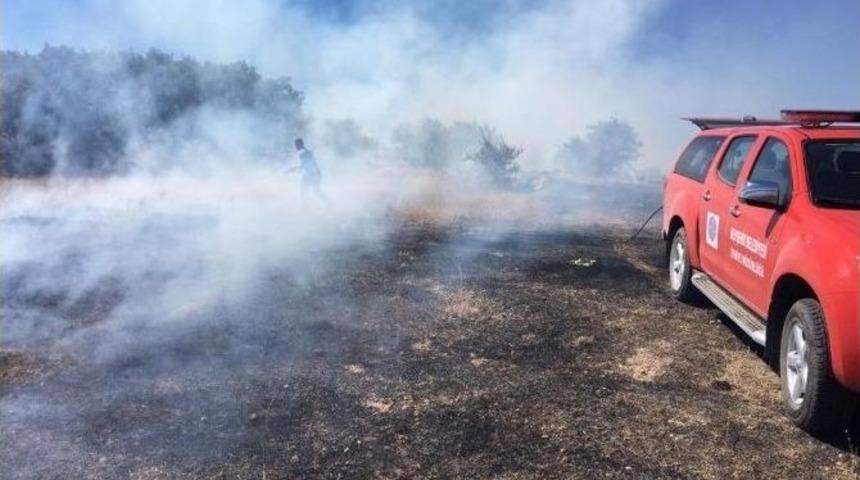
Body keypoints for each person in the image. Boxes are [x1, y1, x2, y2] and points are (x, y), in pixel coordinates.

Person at [290, 137, 327, 203]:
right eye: (295, 145)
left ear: (300, 144)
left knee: (306, 192)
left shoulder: (304, 153)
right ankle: (328, 203)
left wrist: (294, 169)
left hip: (313, 174)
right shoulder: (306, 152)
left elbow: (306, 166)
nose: (295, 147)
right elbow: (306, 166)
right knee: (315, 192)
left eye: (296, 145)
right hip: (313, 174)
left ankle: (306, 209)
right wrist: (296, 169)